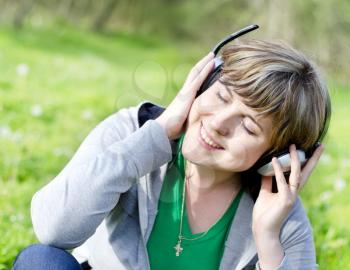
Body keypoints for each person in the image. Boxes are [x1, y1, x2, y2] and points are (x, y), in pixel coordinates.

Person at [12, 38, 331, 270]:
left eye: (248, 127)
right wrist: (155, 136)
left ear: (276, 156)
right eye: (221, 95)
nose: (218, 123)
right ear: (202, 81)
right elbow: (53, 230)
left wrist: (268, 239)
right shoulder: (133, 130)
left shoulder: (279, 212)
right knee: (41, 262)